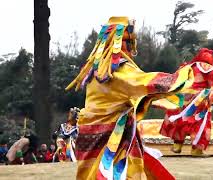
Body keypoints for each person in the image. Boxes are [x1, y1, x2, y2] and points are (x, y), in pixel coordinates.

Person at [65, 16, 201, 179]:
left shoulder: (94, 72)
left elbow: (128, 96)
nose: (131, 48)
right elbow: (147, 82)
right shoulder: (117, 70)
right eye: (129, 43)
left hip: (91, 136)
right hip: (110, 140)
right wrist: (186, 74)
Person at [159, 48, 213, 156]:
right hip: (199, 100)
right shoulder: (209, 68)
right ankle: (197, 149)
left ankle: (177, 145)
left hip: (183, 98)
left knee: (180, 121)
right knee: (200, 124)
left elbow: (176, 79)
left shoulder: (187, 67)